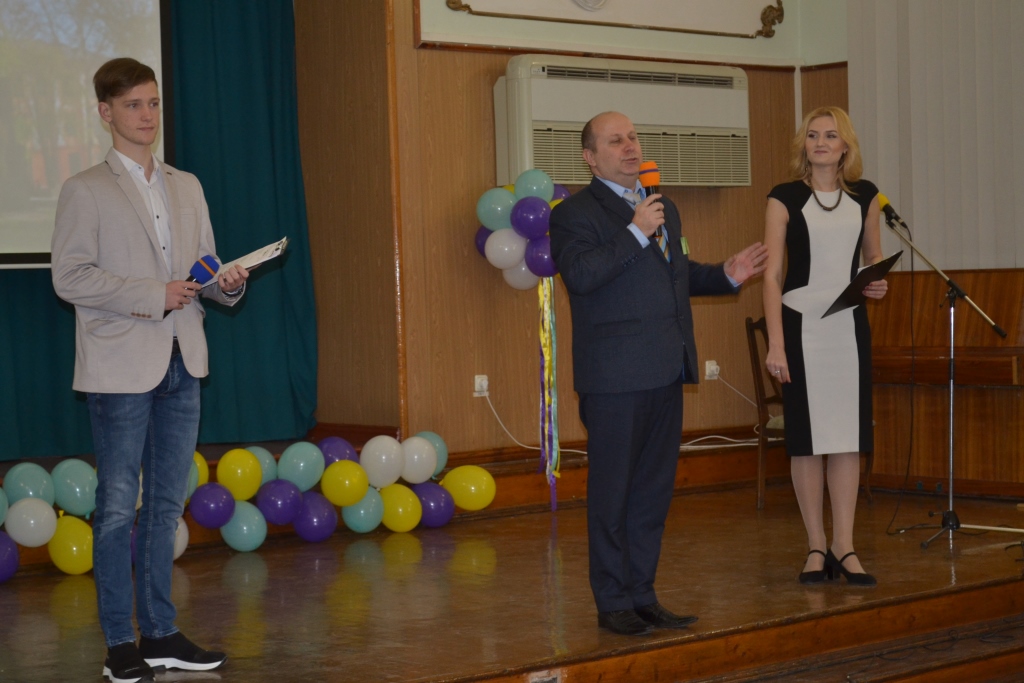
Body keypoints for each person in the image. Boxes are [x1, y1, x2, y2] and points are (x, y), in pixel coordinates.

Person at [51, 58, 248, 683]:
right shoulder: (85, 188)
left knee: (165, 507)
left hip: (183, 357)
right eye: (134, 104)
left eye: (154, 103)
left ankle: (161, 634)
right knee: (116, 509)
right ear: (105, 112)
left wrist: (226, 284)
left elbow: (203, 268)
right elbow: (70, 277)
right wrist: (151, 294)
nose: (147, 115)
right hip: (121, 364)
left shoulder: (187, 185)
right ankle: (120, 643)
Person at [550, 111, 768, 636]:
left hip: (667, 367)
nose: (630, 146)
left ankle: (642, 594)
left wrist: (725, 275)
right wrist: (634, 231)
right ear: (590, 157)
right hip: (614, 377)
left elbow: (674, 273)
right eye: (615, 140)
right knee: (612, 495)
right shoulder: (574, 213)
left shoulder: (661, 206)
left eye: (633, 137)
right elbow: (580, 275)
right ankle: (612, 601)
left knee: (651, 493)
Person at [761, 106, 888, 587]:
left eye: (830, 135)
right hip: (799, 327)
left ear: (845, 146)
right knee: (807, 441)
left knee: (847, 439)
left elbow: (873, 259)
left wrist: (877, 283)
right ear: (804, 145)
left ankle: (844, 546)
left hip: (847, 328)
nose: (820, 142)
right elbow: (771, 275)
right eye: (813, 135)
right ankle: (816, 545)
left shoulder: (866, 196)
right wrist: (776, 343)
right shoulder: (783, 197)